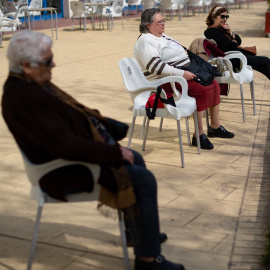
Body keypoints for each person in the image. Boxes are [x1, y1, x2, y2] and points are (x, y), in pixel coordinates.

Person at [1, 31, 185, 270]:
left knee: (136, 159)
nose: (53, 64)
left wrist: (108, 127)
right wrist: (114, 153)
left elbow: (72, 115)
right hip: (60, 171)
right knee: (143, 181)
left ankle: (136, 232)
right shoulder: (25, 97)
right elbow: (63, 144)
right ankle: (148, 260)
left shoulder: (29, 83)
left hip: (66, 159)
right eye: (48, 60)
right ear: (27, 65)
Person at [134, 8, 234, 150]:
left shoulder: (161, 36)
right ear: (147, 25)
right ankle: (198, 135)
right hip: (164, 80)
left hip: (183, 71)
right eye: (159, 21)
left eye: (163, 20)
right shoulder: (145, 41)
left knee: (214, 84)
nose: (163, 24)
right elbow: (155, 67)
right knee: (201, 89)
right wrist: (181, 74)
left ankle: (215, 126)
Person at [204, 5, 270, 80]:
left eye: (226, 17)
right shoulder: (211, 32)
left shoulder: (221, 29)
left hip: (237, 56)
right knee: (265, 61)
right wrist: (234, 41)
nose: (225, 19)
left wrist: (230, 32)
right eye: (222, 17)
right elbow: (232, 46)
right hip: (232, 59)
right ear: (214, 17)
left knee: (263, 65)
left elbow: (239, 41)